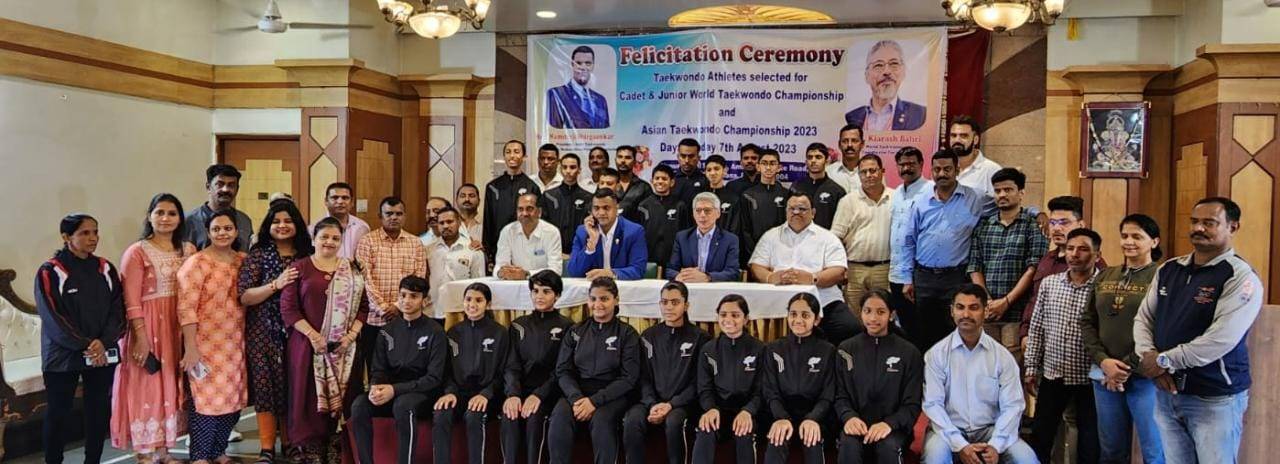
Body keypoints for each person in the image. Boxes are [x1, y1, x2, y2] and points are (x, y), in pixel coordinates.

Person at [1134, 197, 1262, 464]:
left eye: (1209, 223)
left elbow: (1220, 339)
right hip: (1167, 392)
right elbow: (1144, 318)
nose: (1198, 228)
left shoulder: (1239, 276)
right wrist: (1148, 355)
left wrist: (1163, 361)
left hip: (1213, 397)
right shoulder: (1169, 269)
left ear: (1233, 227)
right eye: (1194, 222)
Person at [111, 195, 196, 463]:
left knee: (171, 385)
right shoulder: (137, 252)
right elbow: (131, 300)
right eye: (159, 212)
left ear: (180, 218)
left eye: (172, 213)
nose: (165, 218)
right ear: (149, 216)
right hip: (148, 328)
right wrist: (140, 338)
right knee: (147, 387)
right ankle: (145, 453)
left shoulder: (188, 250)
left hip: (178, 326)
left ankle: (164, 450)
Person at [37, 213, 125, 464]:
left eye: (95, 232)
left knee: (98, 411)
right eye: (84, 233)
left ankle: (93, 460)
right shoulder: (51, 271)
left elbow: (118, 310)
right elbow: (53, 316)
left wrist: (103, 342)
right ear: (66, 237)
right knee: (58, 413)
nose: (93, 238)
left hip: (102, 352)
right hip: (63, 356)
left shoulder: (106, 268)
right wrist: (86, 344)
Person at [280, 217, 368, 463]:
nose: (329, 242)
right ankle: (310, 448)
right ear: (314, 239)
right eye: (324, 237)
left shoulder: (352, 269)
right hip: (308, 346)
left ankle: (336, 444)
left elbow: (364, 307)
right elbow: (288, 309)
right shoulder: (300, 268)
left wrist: (350, 336)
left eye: (335, 238)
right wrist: (313, 336)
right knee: (307, 396)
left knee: (346, 394)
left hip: (344, 348)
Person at [1080, 214, 1165, 464]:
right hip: (1104, 374)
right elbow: (1087, 321)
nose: (1129, 242)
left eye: (1137, 236)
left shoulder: (1162, 277)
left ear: (1154, 242)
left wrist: (1124, 368)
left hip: (1145, 377)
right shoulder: (1106, 275)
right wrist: (1104, 361)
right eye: (1125, 236)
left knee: (1154, 451)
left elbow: (1163, 329)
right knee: (1111, 451)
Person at [922, 284, 1036, 464]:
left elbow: (1013, 405)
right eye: (960, 307)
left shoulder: (1002, 356)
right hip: (948, 431)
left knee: (1026, 459)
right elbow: (933, 404)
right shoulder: (936, 354)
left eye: (974, 308)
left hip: (991, 430)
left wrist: (996, 445)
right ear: (952, 311)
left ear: (985, 311)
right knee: (935, 457)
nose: (966, 314)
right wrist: (960, 445)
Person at [237, 201, 314, 463]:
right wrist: (276, 284)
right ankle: (267, 448)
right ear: (268, 226)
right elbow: (245, 296)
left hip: (299, 332)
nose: (282, 226)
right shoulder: (258, 255)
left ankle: (292, 443)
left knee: (293, 388)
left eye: (288, 221)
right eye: (276, 221)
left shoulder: (308, 255)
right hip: (262, 333)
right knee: (265, 389)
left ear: (297, 225)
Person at [1023, 228, 1102, 463]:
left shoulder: (1104, 286)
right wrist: (1030, 368)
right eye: (1070, 248)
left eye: (1083, 249)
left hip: (1088, 376)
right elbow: (1037, 327)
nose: (1074, 254)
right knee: (1041, 435)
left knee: (1089, 441)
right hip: (1053, 373)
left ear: (1097, 255)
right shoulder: (1050, 283)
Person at [349, 275, 446, 464]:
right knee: (359, 405)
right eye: (403, 295)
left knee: (403, 405)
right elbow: (378, 369)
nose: (406, 301)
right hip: (390, 391)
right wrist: (376, 387)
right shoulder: (387, 331)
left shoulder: (436, 332)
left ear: (425, 300)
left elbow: (434, 378)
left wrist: (394, 390)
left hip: (422, 393)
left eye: (413, 296)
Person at [897, 148, 986, 350]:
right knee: (925, 333)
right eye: (937, 169)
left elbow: (1002, 203)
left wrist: (1036, 213)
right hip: (924, 278)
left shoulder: (974, 198)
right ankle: (929, 370)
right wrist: (907, 278)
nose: (942, 174)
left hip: (955, 277)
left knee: (955, 331)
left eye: (947, 169)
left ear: (957, 170)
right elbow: (909, 241)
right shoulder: (920, 202)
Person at [177, 211, 247, 464]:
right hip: (205, 344)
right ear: (208, 232)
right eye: (216, 229)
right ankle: (200, 455)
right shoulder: (196, 263)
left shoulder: (242, 261)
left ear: (236, 232)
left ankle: (218, 451)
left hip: (236, 344)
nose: (222, 233)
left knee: (232, 400)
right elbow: (186, 308)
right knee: (206, 402)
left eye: (228, 228)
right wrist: (190, 347)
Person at [548, 277, 641, 464]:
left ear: (616, 300)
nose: (598, 304)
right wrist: (576, 398)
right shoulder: (576, 331)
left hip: (612, 394)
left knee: (602, 421)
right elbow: (563, 370)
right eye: (593, 299)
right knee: (559, 417)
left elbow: (629, 378)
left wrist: (594, 401)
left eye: (604, 299)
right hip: (577, 392)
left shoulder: (627, 333)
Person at [749, 193, 862, 344]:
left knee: (850, 328)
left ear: (813, 212)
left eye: (802, 209)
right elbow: (756, 266)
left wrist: (812, 278)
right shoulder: (770, 236)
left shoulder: (828, 238)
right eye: (792, 209)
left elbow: (838, 271)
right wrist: (770, 277)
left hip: (823, 300)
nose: (796, 212)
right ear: (786, 211)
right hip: (777, 303)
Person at [621, 282, 710, 464]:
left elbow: (699, 383)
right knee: (632, 419)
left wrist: (671, 404)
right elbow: (643, 377)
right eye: (664, 302)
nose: (669, 307)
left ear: (686, 305)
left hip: (683, 404)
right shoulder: (648, 336)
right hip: (651, 401)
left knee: (674, 422)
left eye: (675, 302)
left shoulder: (701, 338)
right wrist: (652, 403)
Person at [835, 288, 923, 464]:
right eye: (867, 311)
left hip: (893, 429)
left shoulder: (909, 353)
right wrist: (849, 417)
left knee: (888, 447)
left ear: (891, 315)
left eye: (880, 312)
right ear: (860, 313)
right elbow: (839, 395)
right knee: (849, 445)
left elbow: (912, 403)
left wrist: (890, 424)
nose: (873, 318)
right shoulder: (845, 350)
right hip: (856, 425)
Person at [967, 168, 1048, 357]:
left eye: (1008, 190)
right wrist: (987, 301)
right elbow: (974, 266)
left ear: (1021, 193)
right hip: (987, 311)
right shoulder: (983, 226)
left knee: (1012, 361)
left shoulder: (1033, 226)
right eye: (997, 191)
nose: (1002, 195)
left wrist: (1006, 301)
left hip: (1017, 311)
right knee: (986, 361)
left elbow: (1033, 269)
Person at [502, 270, 575, 464]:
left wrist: (539, 395)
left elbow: (562, 369)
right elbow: (511, 366)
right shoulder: (518, 325)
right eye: (535, 291)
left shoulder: (568, 327)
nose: (539, 296)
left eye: (546, 291)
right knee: (509, 414)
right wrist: (513, 394)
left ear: (557, 295)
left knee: (534, 417)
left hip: (549, 393)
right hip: (520, 391)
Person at [433, 282, 510, 464]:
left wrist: (486, 394)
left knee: (474, 416)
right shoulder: (453, 333)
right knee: (441, 413)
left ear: (488, 304)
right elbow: (446, 371)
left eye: (478, 300)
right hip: (459, 393)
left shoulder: (500, 333)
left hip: (488, 396)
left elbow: (503, 372)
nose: (472, 304)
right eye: (468, 299)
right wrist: (450, 392)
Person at [1019, 196, 1104, 346]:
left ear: (1081, 225)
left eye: (1064, 223)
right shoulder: (1046, 259)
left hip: (1074, 345)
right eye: (1052, 223)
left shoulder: (1093, 265)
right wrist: (1025, 333)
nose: (1057, 228)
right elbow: (1034, 300)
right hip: (1038, 342)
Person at [762, 293, 837, 464]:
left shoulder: (828, 351)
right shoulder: (773, 349)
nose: (798, 320)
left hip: (817, 418)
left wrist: (813, 419)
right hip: (780, 415)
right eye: (793, 314)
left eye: (805, 315)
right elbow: (770, 391)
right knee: (777, 437)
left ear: (816, 320)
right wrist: (781, 417)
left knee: (812, 438)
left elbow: (828, 394)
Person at [356, 196, 428, 371]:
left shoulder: (415, 243)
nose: (394, 217)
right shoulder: (367, 241)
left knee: (403, 365)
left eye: (398, 214)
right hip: (374, 318)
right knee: (375, 366)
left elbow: (418, 279)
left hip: (405, 316)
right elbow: (364, 279)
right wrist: (382, 308)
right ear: (380, 216)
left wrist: (398, 306)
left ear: (404, 216)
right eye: (389, 214)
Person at [692, 295, 766, 463]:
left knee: (744, 432)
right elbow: (704, 388)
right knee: (705, 429)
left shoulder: (759, 349)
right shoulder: (708, 349)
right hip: (719, 410)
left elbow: (762, 389)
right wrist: (710, 408)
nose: (728, 320)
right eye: (723, 314)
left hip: (749, 412)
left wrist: (748, 411)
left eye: (735, 315)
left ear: (745, 319)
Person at [830, 154, 894, 307]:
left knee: (882, 313)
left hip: (885, 269)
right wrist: (841, 267)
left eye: (873, 170)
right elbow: (835, 237)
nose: (868, 175)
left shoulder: (895, 198)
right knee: (855, 316)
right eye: (863, 172)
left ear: (882, 171)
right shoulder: (848, 201)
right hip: (854, 270)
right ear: (859, 175)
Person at [887, 147, 934, 349]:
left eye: (911, 164)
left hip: (917, 275)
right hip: (895, 273)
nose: (906, 168)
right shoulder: (897, 192)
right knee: (904, 326)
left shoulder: (931, 190)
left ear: (921, 164)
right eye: (902, 164)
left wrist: (910, 278)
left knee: (921, 328)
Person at [566, 188, 648, 280]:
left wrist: (610, 273)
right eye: (596, 208)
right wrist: (591, 246)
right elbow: (573, 272)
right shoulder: (583, 232)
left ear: (617, 208)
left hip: (622, 286)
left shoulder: (634, 231)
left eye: (606, 208)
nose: (601, 213)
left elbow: (638, 270)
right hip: (592, 287)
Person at [845, 40, 926, 132]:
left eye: (894, 64)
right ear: (867, 76)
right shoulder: (851, 117)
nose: (887, 72)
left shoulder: (920, 115)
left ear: (903, 72)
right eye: (878, 65)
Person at [484, 140, 542, 266]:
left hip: (525, 247)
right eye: (508, 152)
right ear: (504, 156)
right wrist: (488, 254)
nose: (512, 156)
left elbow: (537, 220)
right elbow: (488, 222)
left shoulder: (532, 187)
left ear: (524, 156)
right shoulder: (493, 187)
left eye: (516, 152)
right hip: (499, 247)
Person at [425, 207, 486, 324]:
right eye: (441, 223)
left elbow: (479, 285)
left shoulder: (473, 250)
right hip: (433, 311)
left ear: (459, 222)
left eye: (450, 222)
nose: (445, 226)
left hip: (462, 312)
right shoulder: (429, 250)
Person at [666, 192, 742, 282]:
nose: (702, 215)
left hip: (715, 288)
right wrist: (679, 276)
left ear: (718, 213)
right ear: (693, 214)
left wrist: (707, 277)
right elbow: (670, 270)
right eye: (698, 210)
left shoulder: (730, 239)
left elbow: (733, 273)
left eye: (707, 210)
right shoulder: (682, 237)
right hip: (688, 286)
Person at [629, 164, 690, 267]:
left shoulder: (680, 205)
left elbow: (685, 234)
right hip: (649, 259)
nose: (660, 181)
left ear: (672, 182)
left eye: (664, 179)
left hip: (673, 260)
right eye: (657, 178)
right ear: (652, 181)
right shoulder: (643, 205)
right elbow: (638, 234)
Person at [739, 148, 789, 269]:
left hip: (782, 256)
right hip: (755, 256)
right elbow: (745, 230)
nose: (768, 167)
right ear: (758, 167)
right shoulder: (748, 195)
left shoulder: (787, 194)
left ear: (779, 167)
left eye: (772, 163)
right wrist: (756, 256)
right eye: (764, 163)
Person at [184, 164, 253, 251]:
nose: (225, 189)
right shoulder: (189, 221)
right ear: (208, 187)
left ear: (237, 189)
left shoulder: (244, 220)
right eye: (220, 184)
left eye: (231, 185)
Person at [496, 193, 563, 279]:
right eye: (520, 209)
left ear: (539, 212)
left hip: (542, 284)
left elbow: (556, 269)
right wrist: (502, 273)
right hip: (514, 283)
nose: (524, 213)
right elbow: (500, 265)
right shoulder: (507, 231)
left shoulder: (552, 232)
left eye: (529, 209)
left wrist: (527, 274)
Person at [542, 153, 595, 255]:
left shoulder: (588, 197)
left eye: (572, 167)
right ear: (560, 169)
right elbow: (543, 226)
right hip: (553, 251)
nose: (568, 171)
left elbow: (590, 227)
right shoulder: (548, 196)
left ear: (579, 170)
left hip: (580, 251)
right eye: (565, 167)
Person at [949, 115, 1002, 216]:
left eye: (964, 136)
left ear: (976, 139)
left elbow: (1007, 206)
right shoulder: (943, 170)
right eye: (953, 135)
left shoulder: (991, 170)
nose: (957, 140)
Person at [547, 45, 610, 129]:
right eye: (579, 63)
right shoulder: (556, 94)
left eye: (588, 63)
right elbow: (553, 131)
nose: (583, 67)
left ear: (593, 66)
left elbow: (607, 132)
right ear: (572, 64)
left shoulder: (601, 100)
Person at [791, 142, 847, 229]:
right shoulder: (796, 187)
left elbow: (841, 223)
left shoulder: (837, 191)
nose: (813, 161)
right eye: (810, 157)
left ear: (827, 161)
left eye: (818, 157)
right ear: (806, 162)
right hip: (798, 236)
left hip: (826, 237)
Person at [314, 182, 370, 259]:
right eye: (335, 198)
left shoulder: (362, 227)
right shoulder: (314, 227)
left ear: (352, 202)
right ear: (326, 201)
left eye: (345, 198)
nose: (340, 201)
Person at [700, 155, 744, 235]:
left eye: (716, 169)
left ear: (725, 170)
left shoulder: (733, 198)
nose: (712, 173)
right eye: (709, 170)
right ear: (705, 173)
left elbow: (735, 228)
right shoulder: (700, 197)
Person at [614, 145, 653, 214]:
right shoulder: (607, 183)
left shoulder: (643, 187)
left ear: (635, 161)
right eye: (620, 157)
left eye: (628, 158)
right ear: (615, 160)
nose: (623, 161)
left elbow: (649, 213)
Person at [827, 124, 866, 194]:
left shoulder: (871, 173)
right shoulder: (828, 173)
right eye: (845, 141)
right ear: (839, 145)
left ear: (862, 144)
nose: (849, 145)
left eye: (854, 141)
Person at [672, 138, 709, 203]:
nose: (687, 160)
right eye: (683, 156)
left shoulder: (706, 181)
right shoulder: (670, 180)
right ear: (678, 157)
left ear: (698, 158)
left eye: (691, 156)